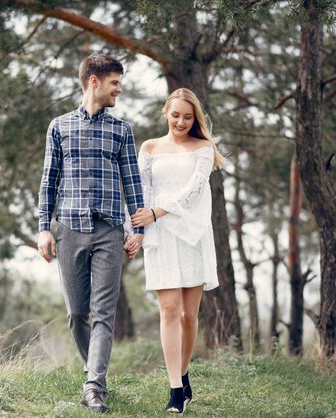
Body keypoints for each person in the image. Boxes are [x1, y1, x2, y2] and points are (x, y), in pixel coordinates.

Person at [37, 53, 144, 413]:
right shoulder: (59, 126)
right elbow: (48, 182)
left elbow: (133, 183)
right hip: (68, 228)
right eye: (115, 82)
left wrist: (138, 230)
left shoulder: (122, 131)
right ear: (94, 81)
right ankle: (93, 371)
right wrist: (43, 229)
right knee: (75, 313)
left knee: (102, 313)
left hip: (111, 231)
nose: (120, 89)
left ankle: (94, 386)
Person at [131, 88, 226, 414]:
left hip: (192, 233)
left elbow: (193, 189)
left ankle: (184, 372)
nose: (181, 121)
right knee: (169, 311)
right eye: (176, 115)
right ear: (165, 113)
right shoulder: (149, 147)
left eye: (188, 116)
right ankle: (175, 389)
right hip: (159, 236)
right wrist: (140, 230)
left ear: (195, 118)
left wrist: (157, 212)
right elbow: (141, 191)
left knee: (188, 314)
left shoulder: (203, 148)